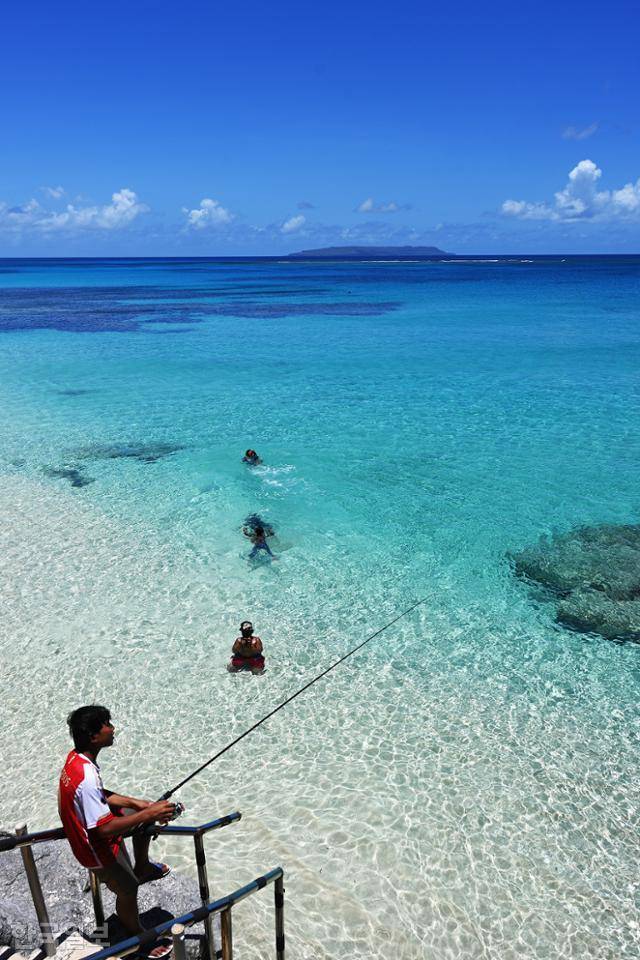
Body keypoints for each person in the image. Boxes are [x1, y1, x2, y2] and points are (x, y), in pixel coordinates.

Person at [58, 705, 175, 957]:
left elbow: (99, 796)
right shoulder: (87, 776)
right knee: (128, 889)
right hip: (95, 849)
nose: (112, 728)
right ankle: (139, 937)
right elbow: (103, 829)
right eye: (107, 724)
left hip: (93, 838)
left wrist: (138, 805)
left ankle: (142, 866)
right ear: (94, 736)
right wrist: (151, 813)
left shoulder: (76, 759)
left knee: (138, 816)